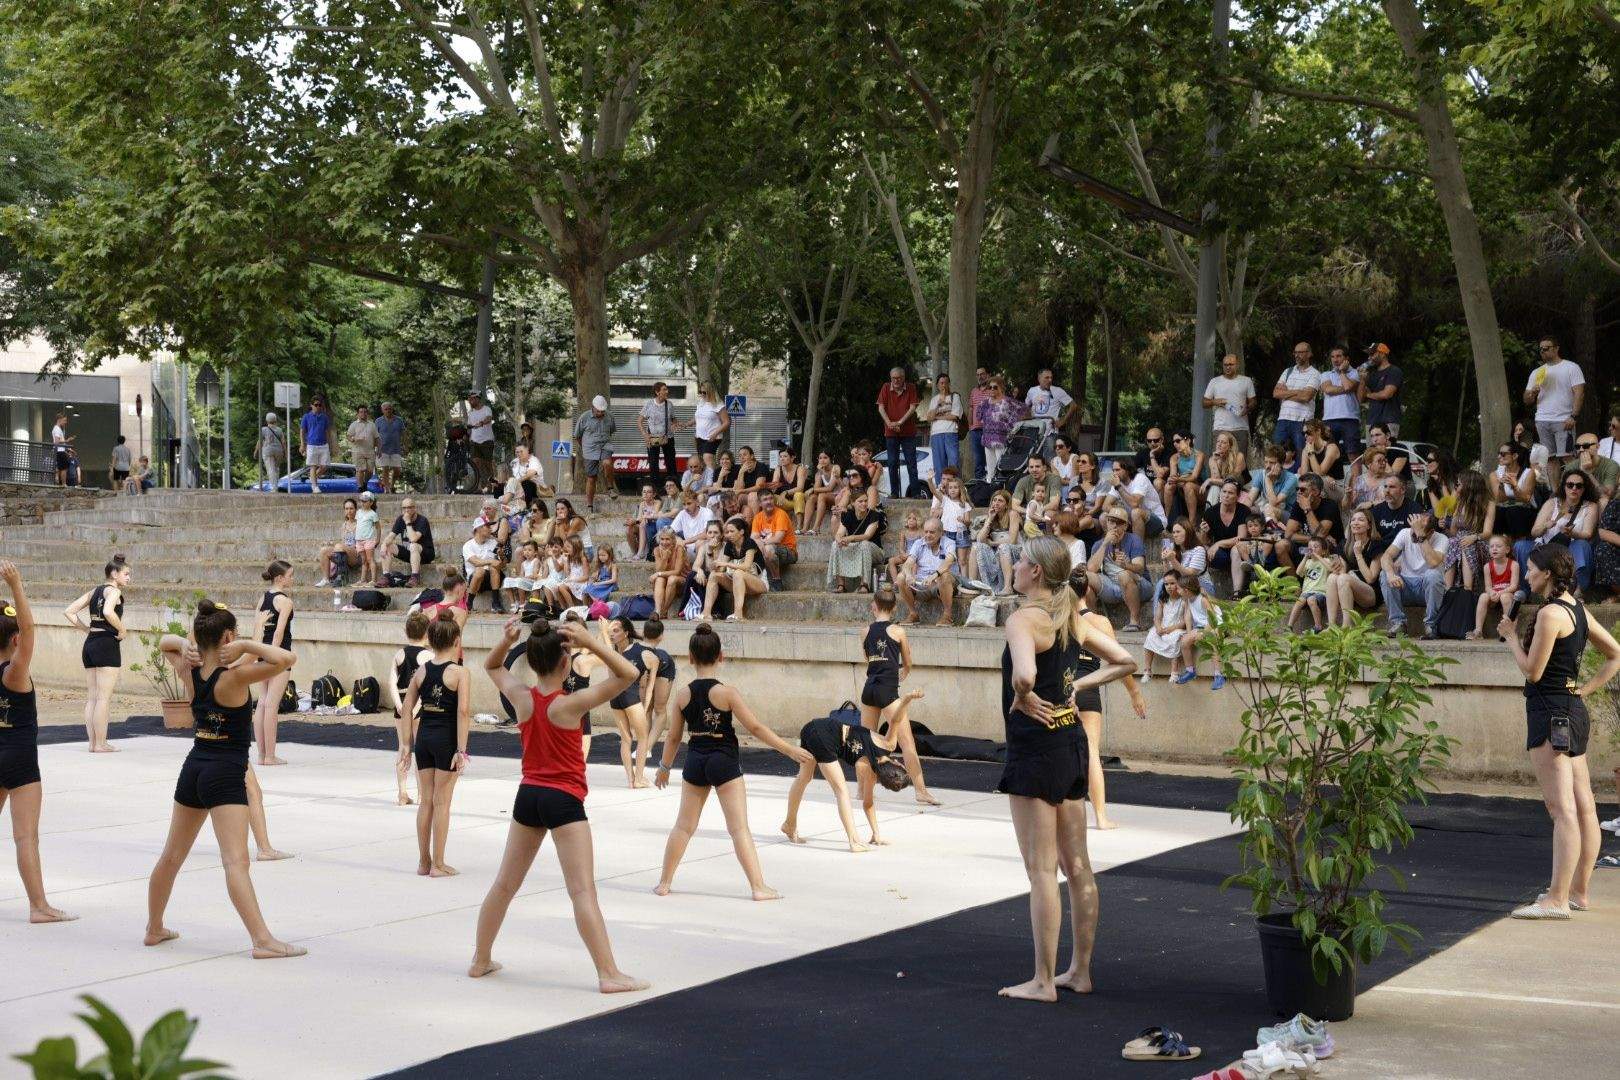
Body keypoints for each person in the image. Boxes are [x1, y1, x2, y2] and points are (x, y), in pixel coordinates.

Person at [471, 616, 648, 992]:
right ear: (565, 663)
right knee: (582, 891)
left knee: (504, 885)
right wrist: (594, 642)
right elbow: (629, 673)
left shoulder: (522, 697)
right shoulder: (570, 704)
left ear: (532, 662)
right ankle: (608, 973)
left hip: (529, 795)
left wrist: (506, 641)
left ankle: (480, 959)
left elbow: (491, 665)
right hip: (563, 799)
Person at [997, 535, 1137, 1002]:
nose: (1014, 566)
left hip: (1036, 747)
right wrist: (1080, 685)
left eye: (1019, 560)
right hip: (1070, 741)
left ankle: (1042, 980)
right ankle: (1079, 971)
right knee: (1077, 866)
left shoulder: (1022, 619)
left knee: (1041, 871)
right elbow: (1125, 659)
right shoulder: (1071, 619)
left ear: (1035, 571)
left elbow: (1025, 676)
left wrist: (1021, 695)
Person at [145, 600, 303, 959]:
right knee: (236, 862)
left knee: (171, 855)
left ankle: (154, 927)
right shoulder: (235, 675)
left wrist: (182, 644)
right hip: (225, 772)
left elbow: (164, 644)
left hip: (195, 766)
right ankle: (262, 940)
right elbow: (285, 660)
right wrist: (248, 646)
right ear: (228, 637)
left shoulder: (188, 668)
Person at [651, 623, 813, 899]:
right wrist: (788, 750)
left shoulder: (682, 695)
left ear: (690, 658)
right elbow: (757, 728)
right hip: (723, 761)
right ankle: (758, 887)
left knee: (683, 826)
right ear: (721, 656)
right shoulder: (727, 693)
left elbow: (674, 737)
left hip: (696, 761)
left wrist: (664, 768)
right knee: (739, 828)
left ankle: (664, 883)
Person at [1501, 546, 1620, 919]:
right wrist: (1584, 690)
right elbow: (1615, 654)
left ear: (1548, 573)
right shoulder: (1578, 609)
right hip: (1572, 710)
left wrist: (1509, 637)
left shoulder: (1552, 613)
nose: (1527, 576)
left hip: (1550, 713)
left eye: (1532, 570)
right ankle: (1577, 892)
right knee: (1584, 806)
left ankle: (1556, 899)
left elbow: (1533, 671)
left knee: (1561, 808)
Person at [0, 562, 75, 922]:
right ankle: (38, 906)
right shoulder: (15, 673)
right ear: (14, 641)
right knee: (26, 837)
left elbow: (22, 630)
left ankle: (40, 906)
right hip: (18, 760)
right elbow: (29, 629)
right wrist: (16, 584)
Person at [781, 705, 914, 852]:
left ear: (896, 764)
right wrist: (876, 833)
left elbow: (895, 719)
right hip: (824, 738)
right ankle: (853, 840)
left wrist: (907, 699)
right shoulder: (870, 773)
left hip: (813, 727)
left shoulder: (888, 745)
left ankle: (789, 824)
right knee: (841, 790)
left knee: (804, 778)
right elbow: (868, 804)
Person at [400, 611, 470, 877]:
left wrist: (406, 744)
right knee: (442, 802)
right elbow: (463, 712)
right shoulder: (460, 673)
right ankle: (439, 864)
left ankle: (423, 862)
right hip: (446, 739)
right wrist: (461, 750)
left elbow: (407, 707)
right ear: (456, 642)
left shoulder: (421, 671)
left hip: (425, 738)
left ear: (430, 641)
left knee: (425, 801)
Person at [63, 555, 130, 754]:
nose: (128, 578)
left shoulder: (94, 591)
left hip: (90, 643)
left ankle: (93, 743)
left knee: (92, 697)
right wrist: (122, 630)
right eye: (126, 574)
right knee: (103, 699)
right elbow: (109, 612)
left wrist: (87, 629)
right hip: (106, 644)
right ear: (114, 573)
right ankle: (101, 743)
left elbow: (69, 611)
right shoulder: (114, 591)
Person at [1515, 468, 1598, 593]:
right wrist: (1545, 526)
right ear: (1564, 487)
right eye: (1570, 485)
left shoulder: (1590, 506)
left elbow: (1588, 533)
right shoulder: (1551, 503)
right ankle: (1525, 590)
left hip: (1570, 549)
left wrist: (1572, 533)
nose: (1574, 488)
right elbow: (1534, 532)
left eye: (1579, 486)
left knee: (1582, 544)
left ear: (1584, 489)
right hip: (1546, 547)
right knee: (1520, 546)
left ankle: (1577, 589)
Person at [250, 560, 295, 766]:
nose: (292, 579)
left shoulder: (263, 599)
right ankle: (269, 755)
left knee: (262, 702)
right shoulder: (285, 601)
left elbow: (257, 628)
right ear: (280, 578)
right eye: (290, 575)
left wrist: (260, 653)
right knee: (271, 705)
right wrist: (274, 656)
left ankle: (261, 754)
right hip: (278, 654)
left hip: (262, 652)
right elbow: (279, 632)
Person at [1380, 511, 1450, 639]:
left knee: (1433, 575)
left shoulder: (1442, 539)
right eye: (1413, 527)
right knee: (1384, 574)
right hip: (1405, 587)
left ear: (1431, 532)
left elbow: (1433, 562)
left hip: (1427, 590)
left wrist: (1421, 537)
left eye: (1419, 529)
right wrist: (1391, 574)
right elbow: (1386, 556)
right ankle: (1399, 623)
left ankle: (1431, 626)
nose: (1414, 532)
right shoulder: (1404, 533)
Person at [603, 617, 653, 787]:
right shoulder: (616, 653)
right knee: (642, 737)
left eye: (615, 631)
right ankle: (637, 779)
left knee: (626, 738)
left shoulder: (629, 652)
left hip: (617, 696)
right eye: (610, 632)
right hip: (628, 696)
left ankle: (632, 779)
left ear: (626, 633)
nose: (612, 634)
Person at [388, 611, 430, 806]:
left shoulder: (399, 654)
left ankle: (402, 793)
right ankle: (422, 795)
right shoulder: (428, 656)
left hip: (403, 702)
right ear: (427, 633)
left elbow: (392, 684)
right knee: (421, 750)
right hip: (419, 704)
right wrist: (416, 707)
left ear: (406, 632)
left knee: (403, 748)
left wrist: (400, 706)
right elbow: (425, 685)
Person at [1087, 508, 1150, 631]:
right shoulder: (1099, 544)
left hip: (1140, 586)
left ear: (1126, 526)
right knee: (1085, 577)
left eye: (1119, 522)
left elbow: (1140, 568)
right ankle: (1092, 622)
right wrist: (1105, 544)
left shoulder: (1134, 540)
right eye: (1111, 521)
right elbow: (1091, 569)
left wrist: (1126, 565)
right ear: (1107, 523)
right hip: (1113, 588)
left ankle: (1134, 621)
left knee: (1124, 575)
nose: (1115, 526)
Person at [1524, 335, 1584, 464]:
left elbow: (1579, 393)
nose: (1543, 351)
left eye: (1546, 348)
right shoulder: (1537, 372)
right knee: (1549, 459)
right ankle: (1554, 486)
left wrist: (1573, 416)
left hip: (1563, 420)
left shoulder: (1571, 367)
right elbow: (1527, 400)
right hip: (1542, 420)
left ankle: (1573, 484)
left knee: (1568, 457)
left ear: (1556, 348)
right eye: (1540, 349)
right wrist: (1532, 394)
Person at [702, 516, 769, 621]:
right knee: (714, 575)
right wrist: (711, 553)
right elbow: (720, 569)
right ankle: (706, 614)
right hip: (738, 583)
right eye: (727, 532)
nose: (728, 535)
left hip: (758, 582)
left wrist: (726, 564)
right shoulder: (729, 545)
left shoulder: (749, 543)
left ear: (741, 531)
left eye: (731, 531)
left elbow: (746, 566)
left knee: (738, 573)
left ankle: (738, 614)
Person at [1325, 510, 1385, 627]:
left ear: (1369, 525)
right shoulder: (1345, 544)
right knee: (1333, 577)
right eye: (1353, 520)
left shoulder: (1376, 544)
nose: (1356, 523)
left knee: (1343, 579)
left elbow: (1370, 578)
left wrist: (1358, 555)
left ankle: (1347, 626)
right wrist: (1334, 564)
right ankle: (1331, 625)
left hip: (1371, 594)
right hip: (1349, 589)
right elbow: (1341, 572)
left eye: (1361, 520)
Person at [895, 519, 957, 628]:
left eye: (932, 532)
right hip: (922, 583)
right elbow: (907, 564)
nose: (928, 535)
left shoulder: (949, 542)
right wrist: (909, 575)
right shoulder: (918, 543)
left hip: (940, 583)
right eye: (926, 531)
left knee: (945, 575)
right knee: (901, 577)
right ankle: (913, 614)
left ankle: (948, 616)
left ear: (941, 533)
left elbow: (948, 562)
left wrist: (934, 576)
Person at [828, 491, 885, 593]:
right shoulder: (848, 515)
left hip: (875, 551)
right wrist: (839, 540)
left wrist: (850, 538)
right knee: (835, 545)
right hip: (856, 548)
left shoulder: (874, 515)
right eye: (860, 501)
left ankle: (865, 585)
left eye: (866, 501)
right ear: (853, 503)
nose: (864, 504)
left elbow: (867, 536)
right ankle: (841, 585)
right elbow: (839, 533)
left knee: (864, 544)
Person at [1272, 343, 1321, 462]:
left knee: (1302, 455)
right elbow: (1276, 393)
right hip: (1283, 419)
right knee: (1276, 454)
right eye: (1295, 352)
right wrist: (1298, 391)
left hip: (1302, 421)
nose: (1297, 355)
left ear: (1309, 354)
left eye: (1300, 352)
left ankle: (1302, 480)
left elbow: (1306, 397)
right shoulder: (1288, 371)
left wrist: (1287, 393)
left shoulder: (1315, 374)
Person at [1202, 353, 1257, 458]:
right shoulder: (1215, 382)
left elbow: (1253, 401)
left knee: (1240, 462)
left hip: (1240, 428)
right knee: (1219, 460)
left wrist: (1247, 408)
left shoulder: (1246, 381)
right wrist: (1215, 402)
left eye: (1231, 364)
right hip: (1220, 427)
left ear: (1237, 365)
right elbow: (1204, 402)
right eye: (1225, 364)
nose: (1228, 367)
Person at [877, 366, 920, 497]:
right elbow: (881, 408)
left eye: (898, 378)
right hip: (891, 432)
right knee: (892, 463)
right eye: (893, 378)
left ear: (903, 378)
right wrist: (889, 423)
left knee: (911, 463)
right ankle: (895, 493)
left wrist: (900, 422)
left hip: (908, 432)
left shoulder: (911, 387)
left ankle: (916, 494)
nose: (895, 381)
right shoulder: (885, 387)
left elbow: (913, 407)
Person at [974, 376, 1027, 479]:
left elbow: (1024, 411)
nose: (992, 389)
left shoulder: (1007, 401)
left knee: (1002, 467)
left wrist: (1011, 425)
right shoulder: (985, 403)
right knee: (990, 469)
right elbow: (978, 416)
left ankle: (1003, 490)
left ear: (1001, 388)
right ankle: (991, 490)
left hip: (1002, 439)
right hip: (987, 438)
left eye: (995, 387)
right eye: (990, 387)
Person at [1469, 536, 1520, 639]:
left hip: (1509, 596)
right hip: (1494, 597)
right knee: (1483, 596)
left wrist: (1500, 593)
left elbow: (1514, 586)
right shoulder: (1487, 566)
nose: (1494, 549)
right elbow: (1488, 587)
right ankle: (1478, 630)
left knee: (1505, 597)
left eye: (1498, 546)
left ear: (1507, 550)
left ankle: (1508, 630)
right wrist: (1491, 592)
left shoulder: (1514, 565)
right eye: (1491, 546)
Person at [1141, 573, 1191, 679]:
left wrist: (1171, 629)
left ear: (1179, 583)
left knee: (1175, 638)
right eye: (1166, 584)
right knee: (1151, 635)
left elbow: (1184, 621)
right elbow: (1158, 617)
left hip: (1177, 628)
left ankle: (1174, 672)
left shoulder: (1184, 600)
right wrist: (1158, 628)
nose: (1169, 586)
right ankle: (1147, 670)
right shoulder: (1163, 600)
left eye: (1172, 583)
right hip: (1164, 627)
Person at [574, 395, 617, 513]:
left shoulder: (610, 416)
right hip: (590, 449)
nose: (601, 413)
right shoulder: (584, 417)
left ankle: (610, 488)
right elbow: (577, 436)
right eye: (598, 411)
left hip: (605, 445)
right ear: (593, 407)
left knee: (607, 463)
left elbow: (612, 431)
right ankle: (589, 505)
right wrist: (585, 446)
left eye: (602, 411)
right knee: (591, 478)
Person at [749, 491, 797, 590]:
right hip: (768, 552)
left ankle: (776, 581)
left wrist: (761, 543)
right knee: (756, 549)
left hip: (789, 552)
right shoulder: (758, 517)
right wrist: (759, 543)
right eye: (765, 500)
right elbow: (753, 537)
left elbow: (777, 539)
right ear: (759, 503)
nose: (769, 502)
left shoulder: (781, 514)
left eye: (771, 498)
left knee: (768, 548)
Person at [1319, 345, 1361, 456]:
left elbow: (1347, 387)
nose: (1335, 359)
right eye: (1332, 357)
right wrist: (1347, 389)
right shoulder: (1325, 374)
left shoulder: (1355, 373)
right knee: (1329, 454)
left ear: (1346, 358)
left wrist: (1342, 372)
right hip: (1329, 419)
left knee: (1353, 454)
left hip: (1350, 418)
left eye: (1338, 356)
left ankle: (1356, 475)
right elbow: (1328, 389)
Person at [638, 381, 680, 490]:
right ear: (657, 392)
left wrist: (675, 424)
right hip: (652, 438)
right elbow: (639, 421)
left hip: (668, 438)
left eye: (667, 389)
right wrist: (645, 434)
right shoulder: (649, 404)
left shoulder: (669, 404)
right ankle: (655, 489)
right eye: (664, 389)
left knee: (671, 462)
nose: (667, 391)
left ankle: (674, 487)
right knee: (653, 463)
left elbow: (673, 419)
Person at [1289, 536, 1334, 632]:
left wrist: (1318, 556)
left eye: (1315, 547)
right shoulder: (1308, 562)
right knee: (1299, 601)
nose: (1311, 549)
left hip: (1320, 593)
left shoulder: (1326, 560)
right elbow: (1298, 572)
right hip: (1306, 592)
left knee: (1311, 600)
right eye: (1309, 546)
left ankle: (1318, 626)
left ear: (1324, 551)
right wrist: (1305, 557)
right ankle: (1289, 626)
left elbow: (1330, 569)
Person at [1358, 342, 1402, 439]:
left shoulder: (1394, 371)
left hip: (1389, 421)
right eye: (1369, 354)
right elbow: (1360, 399)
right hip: (1371, 421)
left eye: (1372, 354)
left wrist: (1369, 395)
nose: (1369, 357)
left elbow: (1387, 394)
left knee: (1387, 452)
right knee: (1371, 453)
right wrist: (1362, 380)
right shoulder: (1371, 374)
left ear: (1382, 354)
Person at [463, 519, 507, 613]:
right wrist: (491, 561)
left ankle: (496, 603)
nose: (490, 529)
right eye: (487, 526)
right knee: (480, 570)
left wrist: (502, 556)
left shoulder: (493, 543)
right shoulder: (468, 545)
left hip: (492, 578)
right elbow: (476, 562)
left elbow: (502, 566)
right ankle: (469, 603)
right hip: (475, 579)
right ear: (478, 528)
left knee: (493, 568)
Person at [388, 499, 436, 586]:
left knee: (413, 545)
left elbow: (413, 539)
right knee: (388, 546)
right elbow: (391, 536)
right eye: (404, 508)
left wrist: (408, 522)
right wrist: (384, 544)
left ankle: (415, 577)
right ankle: (386, 576)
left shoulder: (422, 520)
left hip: (425, 554)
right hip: (410, 553)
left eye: (409, 507)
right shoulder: (400, 519)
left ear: (415, 508)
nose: (406, 510)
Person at [924, 373, 965, 475]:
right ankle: (940, 489)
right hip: (936, 434)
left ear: (949, 384)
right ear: (937, 385)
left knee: (954, 462)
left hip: (950, 432)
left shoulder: (954, 397)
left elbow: (955, 416)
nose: (944, 385)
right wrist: (938, 405)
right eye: (941, 383)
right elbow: (929, 418)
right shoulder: (934, 400)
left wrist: (937, 416)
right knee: (938, 465)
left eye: (946, 383)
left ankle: (956, 488)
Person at [315, 498, 361, 586]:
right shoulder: (344, 525)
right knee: (324, 550)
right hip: (344, 553)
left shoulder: (360, 524)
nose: (349, 511)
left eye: (351, 508)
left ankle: (342, 577)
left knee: (339, 546)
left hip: (357, 555)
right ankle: (326, 579)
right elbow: (344, 542)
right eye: (346, 509)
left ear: (356, 510)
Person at [649, 529, 690, 619]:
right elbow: (659, 569)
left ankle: (664, 610)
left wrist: (658, 573)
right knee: (659, 579)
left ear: (673, 540)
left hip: (682, 580)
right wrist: (664, 558)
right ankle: (658, 611)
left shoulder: (679, 549)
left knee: (671, 578)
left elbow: (677, 572)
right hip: (666, 581)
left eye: (667, 539)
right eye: (662, 539)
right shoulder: (657, 550)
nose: (664, 542)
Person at [1569, 433, 1619, 501]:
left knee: (1604, 500)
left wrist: (1588, 473)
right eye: (1577, 447)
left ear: (1597, 446)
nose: (1581, 450)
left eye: (1586, 446)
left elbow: (1607, 494)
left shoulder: (1611, 465)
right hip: (1578, 500)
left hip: (1599, 501)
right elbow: (1563, 491)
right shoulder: (1572, 466)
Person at [691, 383, 729, 472]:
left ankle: (711, 483)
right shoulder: (701, 403)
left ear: (711, 392)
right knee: (702, 462)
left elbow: (726, 422)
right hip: (699, 437)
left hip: (712, 437)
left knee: (707, 458)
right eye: (700, 392)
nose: (702, 394)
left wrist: (715, 434)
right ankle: (705, 481)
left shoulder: (718, 404)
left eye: (704, 392)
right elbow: (698, 418)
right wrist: (686, 424)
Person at [802, 451, 842, 535]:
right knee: (812, 497)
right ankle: (805, 528)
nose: (822, 460)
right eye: (820, 458)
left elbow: (830, 488)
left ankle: (816, 527)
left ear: (830, 459)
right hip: (827, 497)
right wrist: (814, 489)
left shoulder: (835, 468)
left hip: (839, 497)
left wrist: (813, 489)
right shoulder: (819, 473)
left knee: (821, 495)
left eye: (825, 458)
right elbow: (816, 489)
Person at [464, 390, 496, 493]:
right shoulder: (471, 414)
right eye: (469, 400)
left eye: (472, 399)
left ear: (477, 398)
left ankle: (491, 486)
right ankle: (478, 487)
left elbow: (489, 418)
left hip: (487, 441)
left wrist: (481, 423)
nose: (470, 401)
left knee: (487, 465)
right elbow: (469, 428)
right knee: (476, 464)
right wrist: (464, 437)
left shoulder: (486, 409)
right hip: (474, 441)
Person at [299, 394, 331, 494]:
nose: (318, 407)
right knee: (312, 466)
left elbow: (327, 431)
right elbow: (302, 431)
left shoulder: (324, 417)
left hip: (323, 444)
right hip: (311, 444)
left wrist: (330, 444)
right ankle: (314, 486)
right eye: (316, 405)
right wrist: (302, 444)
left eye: (320, 405)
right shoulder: (306, 417)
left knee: (324, 466)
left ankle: (313, 476)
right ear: (311, 405)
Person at [968, 366, 994, 481]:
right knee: (978, 459)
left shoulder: (993, 390)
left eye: (982, 374)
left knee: (990, 458)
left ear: (987, 375)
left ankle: (991, 481)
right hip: (975, 430)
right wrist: (970, 425)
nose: (980, 377)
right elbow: (970, 409)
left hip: (989, 430)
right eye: (978, 375)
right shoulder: (974, 391)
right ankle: (979, 483)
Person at [374, 401, 406, 493]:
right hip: (382, 448)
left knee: (397, 470)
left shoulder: (399, 420)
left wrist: (406, 445)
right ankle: (387, 489)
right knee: (385, 468)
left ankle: (392, 485)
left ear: (392, 409)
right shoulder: (378, 421)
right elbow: (375, 436)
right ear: (382, 410)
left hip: (396, 448)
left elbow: (404, 434)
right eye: (386, 409)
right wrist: (376, 448)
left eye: (390, 409)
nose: (388, 411)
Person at [346, 404, 378, 494]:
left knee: (370, 471)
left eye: (365, 412)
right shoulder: (354, 424)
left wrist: (378, 449)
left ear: (367, 413)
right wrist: (353, 439)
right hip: (357, 450)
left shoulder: (372, 425)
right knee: (360, 469)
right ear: (358, 414)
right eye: (361, 412)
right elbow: (348, 436)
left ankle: (364, 483)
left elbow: (377, 438)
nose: (363, 414)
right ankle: (360, 487)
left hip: (370, 451)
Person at [51, 413, 74, 486]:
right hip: (59, 451)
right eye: (64, 420)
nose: (65, 422)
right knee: (64, 467)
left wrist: (67, 449)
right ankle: (63, 483)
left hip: (60, 450)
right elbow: (57, 441)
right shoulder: (57, 429)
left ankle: (60, 481)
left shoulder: (57, 429)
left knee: (61, 467)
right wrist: (66, 441)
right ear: (59, 420)